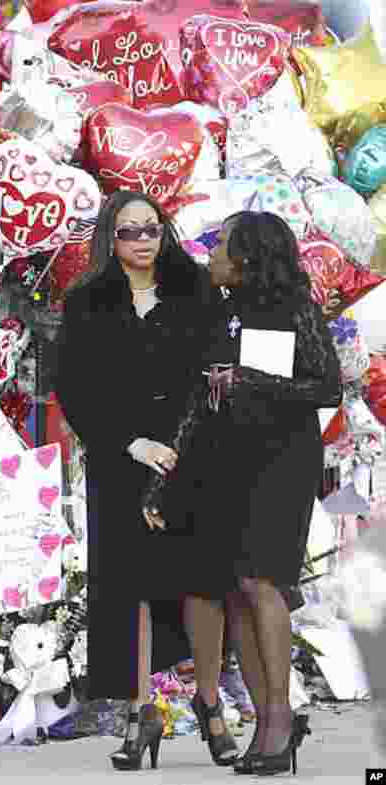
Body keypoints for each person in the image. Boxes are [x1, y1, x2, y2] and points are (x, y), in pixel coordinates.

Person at [143, 211, 342, 775]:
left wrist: (250, 379)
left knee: (262, 580)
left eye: (222, 244)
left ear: (249, 255)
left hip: (282, 459)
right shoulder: (217, 311)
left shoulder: (295, 308)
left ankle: (279, 718)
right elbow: (195, 401)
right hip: (224, 460)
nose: (212, 253)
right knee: (235, 592)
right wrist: (163, 477)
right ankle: (265, 723)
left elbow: (327, 386)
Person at [56, 190, 237, 770]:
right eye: (129, 231)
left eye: (151, 229)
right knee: (129, 585)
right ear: (110, 237)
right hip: (120, 458)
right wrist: (127, 443)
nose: (141, 241)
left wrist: (188, 445)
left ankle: (209, 701)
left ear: (164, 233)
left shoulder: (195, 289)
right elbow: (73, 385)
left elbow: (217, 373)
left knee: (200, 583)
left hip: (192, 454)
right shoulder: (86, 300)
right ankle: (140, 712)